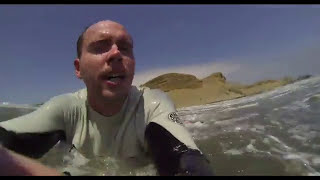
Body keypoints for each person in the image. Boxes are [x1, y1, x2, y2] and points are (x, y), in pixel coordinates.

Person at [0, 20, 214, 176]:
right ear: (78, 69)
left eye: (125, 48)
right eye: (101, 46)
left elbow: (189, 164)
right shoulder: (66, 108)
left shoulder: (151, 103)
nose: (116, 54)